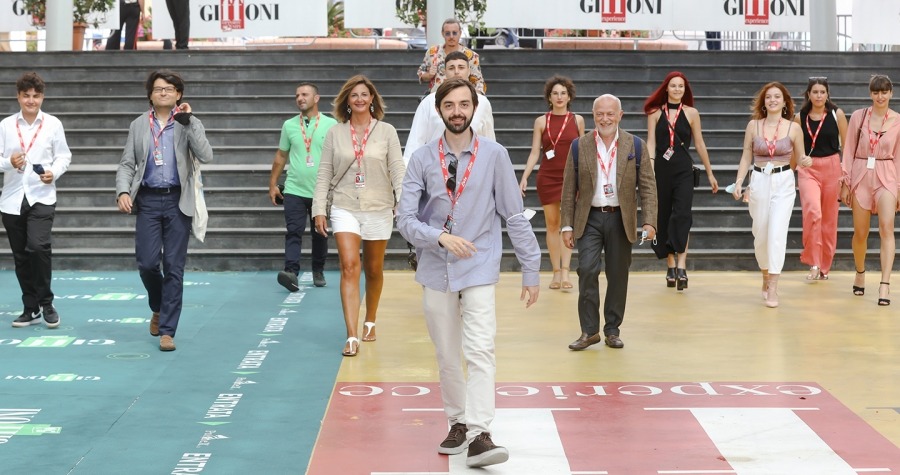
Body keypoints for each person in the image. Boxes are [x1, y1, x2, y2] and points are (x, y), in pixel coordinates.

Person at [397, 78, 541, 468]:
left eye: (464, 104)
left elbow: (514, 214)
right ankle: (457, 422)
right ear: (438, 110)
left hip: (479, 265)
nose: (457, 111)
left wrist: (531, 268)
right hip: (435, 266)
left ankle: (480, 434)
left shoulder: (494, 155)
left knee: (480, 349)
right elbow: (405, 219)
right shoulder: (422, 158)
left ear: (474, 108)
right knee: (447, 353)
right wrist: (439, 237)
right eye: (449, 105)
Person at [115, 69, 213, 351]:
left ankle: (167, 331)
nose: (163, 93)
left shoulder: (188, 122)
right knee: (147, 264)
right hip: (147, 200)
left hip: (178, 201)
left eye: (169, 89)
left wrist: (189, 122)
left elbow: (206, 155)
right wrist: (123, 191)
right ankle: (158, 306)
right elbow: (127, 163)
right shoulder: (138, 125)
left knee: (174, 267)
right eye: (158, 89)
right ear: (150, 94)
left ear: (178, 95)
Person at [312, 75, 405, 357]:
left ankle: (370, 319)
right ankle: (351, 335)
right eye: (354, 95)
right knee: (349, 266)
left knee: (374, 269)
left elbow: (397, 169)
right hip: (344, 205)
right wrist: (319, 208)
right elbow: (324, 172)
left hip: (379, 206)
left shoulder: (387, 131)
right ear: (347, 101)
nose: (360, 99)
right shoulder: (335, 133)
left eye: (364, 94)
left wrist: (404, 202)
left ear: (372, 99)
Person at [560, 94, 657, 351]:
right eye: (600, 114)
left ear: (620, 115)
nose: (605, 119)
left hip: (620, 218)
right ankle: (589, 331)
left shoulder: (635, 146)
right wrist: (567, 225)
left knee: (618, 274)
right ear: (593, 116)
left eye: (610, 114)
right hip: (589, 218)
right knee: (587, 270)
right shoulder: (579, 146)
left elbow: (648, 186)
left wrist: (649, 221)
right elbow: (568, 189)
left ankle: (612, 330)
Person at [1, 72, 71, 329]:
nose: (31, 100)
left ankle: (47, 303)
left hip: (42, 196)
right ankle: (30, 308)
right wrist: (9, 162)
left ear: (42, 97)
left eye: (36, 96)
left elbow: (64, 156)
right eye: (26, 95)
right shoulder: (6, 125)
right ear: (18, 97)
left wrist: (54, 172)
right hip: (11, 198)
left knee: (38, 247)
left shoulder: (53, 124)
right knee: (21, 256)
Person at [731, 82, 810, 308]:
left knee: (777, 232)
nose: (773, 100)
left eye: (777, 96)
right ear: (763, 102)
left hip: (783, 181)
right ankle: (765, 273)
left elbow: (801, 156)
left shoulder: (794, 128)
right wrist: (739, 181)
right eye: (768, 97)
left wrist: (806, 160)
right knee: (761, 234)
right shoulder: (753, 125)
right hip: (758, 180)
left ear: (785, 102)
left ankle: (774, 285)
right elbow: (746, 155)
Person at [643, 72, 718, 291]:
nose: (677, 89)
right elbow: (650, 142)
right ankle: (670, 265)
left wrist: (710, 173)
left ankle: (682, 265)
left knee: (683, 214)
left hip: (684, 169)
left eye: (681, 86)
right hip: (661, 170)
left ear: (685, 90)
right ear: (666, 88)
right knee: (663, 216)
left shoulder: (692, 113)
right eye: (673, 86)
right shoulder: (655, 113)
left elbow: (700, 143)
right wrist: (649, 169)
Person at [519, 75, 586, 290]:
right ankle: (556, 272)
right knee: (552, 224)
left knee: (568, 224)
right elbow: (534, 152)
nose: (559, 97)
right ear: (549, 97)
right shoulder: (541, 121)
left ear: (569, 97)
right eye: (555, 93)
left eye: (563, 93)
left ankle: (566, 271)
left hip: (571, 178)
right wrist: (524, 176)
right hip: (548, 177)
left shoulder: (577, 120)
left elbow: (583, 150)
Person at [269, 82, 337, 291]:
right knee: (293, 231)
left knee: (320, 233)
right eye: (297, 95)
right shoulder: (289, 125)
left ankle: (318, 270)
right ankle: (291, 272)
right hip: (294, 189)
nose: (300, 98)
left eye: (305, 94)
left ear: (316, 98)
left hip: (321, 191)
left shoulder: (331, 124)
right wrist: (272, 184)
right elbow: (281, 155)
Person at [840, 74, 899, 307]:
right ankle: (860, 271)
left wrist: (899, 187)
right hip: (861, 174)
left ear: (891, 93)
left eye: (884, 92)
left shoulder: (898, 120)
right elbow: (848, 150)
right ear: (870, 93)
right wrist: (845, 181)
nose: (880, 96)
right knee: (860, 233)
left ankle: (885, 284)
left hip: (887, 175)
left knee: (887, 228)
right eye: (876, 92)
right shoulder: (859, 116)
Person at [793, 77, 848, 281]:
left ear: (827, 94)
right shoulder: (799, 117)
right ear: (808, 94)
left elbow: (847, 146)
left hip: (833, 167)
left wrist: (847, 174)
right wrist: (790, 171)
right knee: (813, 212)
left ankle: (825, 266)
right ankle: (814, 263)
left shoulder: (836, 114)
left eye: (822, 92)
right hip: (808, 168)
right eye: (815, 92)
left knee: (829, 220)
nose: (818, 96)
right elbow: (794, 147)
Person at [404, 50, 494, 165]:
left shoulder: (482, 103)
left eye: (461, 67)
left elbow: (490, 140)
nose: (456, 72)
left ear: (469, 71)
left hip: (475, 167)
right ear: (445, 72)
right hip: (435, 167)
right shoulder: (429, 102)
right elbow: (414, 143)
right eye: (451, 68)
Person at [417, 18, 485, 95]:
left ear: (460, 33)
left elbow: (479, 82)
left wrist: (473, 98)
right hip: (436, 97)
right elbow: (421, 73)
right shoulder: (433, 52)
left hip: (461, 98)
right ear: (442, 34)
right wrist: (429, 75)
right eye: (447, 33)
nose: (451, 36)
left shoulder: (471, 56)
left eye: (454, 33)